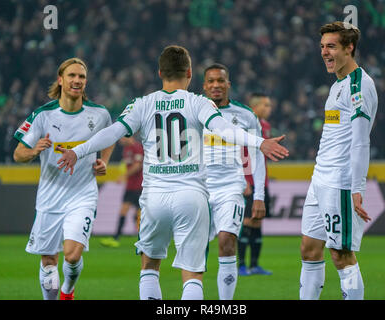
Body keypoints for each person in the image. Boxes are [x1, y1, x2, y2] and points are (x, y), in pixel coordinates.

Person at [56, 45, 289, 300]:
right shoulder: (199, 103)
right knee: (192, 274)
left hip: (155, 197)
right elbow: (224, 129)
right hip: (191, 196)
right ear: (189, 73)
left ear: (159, 73)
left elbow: (113, 132)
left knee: (149, 267)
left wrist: (78, 151)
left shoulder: (142, 104)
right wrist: (260, 142)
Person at [13, 58, 114, 300]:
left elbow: (110, 137)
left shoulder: (99, 114)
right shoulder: (43, 115)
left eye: (81, 76)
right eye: (72, 76)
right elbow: (18, 154)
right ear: (61, 79)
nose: (77, 80)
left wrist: (104, 161)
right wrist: (34, 151)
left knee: (72, 254)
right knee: (49, 263)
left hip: (82, 194)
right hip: (50, 197)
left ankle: (68, 291)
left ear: (85, 81)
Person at [299, 22, 378, 300]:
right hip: (320, 178)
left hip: (341, 182)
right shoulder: (338, 86)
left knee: (341, 254)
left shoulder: (359, 86)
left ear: (349, 48)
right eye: (322, 47)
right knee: (309, 249)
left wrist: (357, 188)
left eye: (331, 46)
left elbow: (360, 141)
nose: (324, 52)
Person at [202, 65, 276, 299]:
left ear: (228, 85)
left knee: (227, 241)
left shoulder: (245, 115)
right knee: (195, 251)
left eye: (220, 81)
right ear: (204, 85)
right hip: (199, 188)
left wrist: (259, 196)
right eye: (211, 81)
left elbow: (257, 156)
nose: (216, 85)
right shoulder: (194, 111)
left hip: (231, 187)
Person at [238, 93, 274, 276]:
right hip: (248, 182)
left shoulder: (265, 126)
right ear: (255, 106)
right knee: (246, 222)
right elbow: (239, 152)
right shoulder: (245, 124)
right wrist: (243, 180)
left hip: (262, 182)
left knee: (257, 223)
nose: (269, 108)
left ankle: (254, 265)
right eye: (266, 105)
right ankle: (241, 265)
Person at [100, 136, 144, 248]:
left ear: (129, 136)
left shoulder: (137, 148)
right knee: (124, 211)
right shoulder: (126, 150)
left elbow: (138, 165)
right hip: (130, 186)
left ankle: (144, 238)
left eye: (122, 138)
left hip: (140, 186)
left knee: (141, 214)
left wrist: (124, 175)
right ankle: (115, 238)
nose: (120, 141)